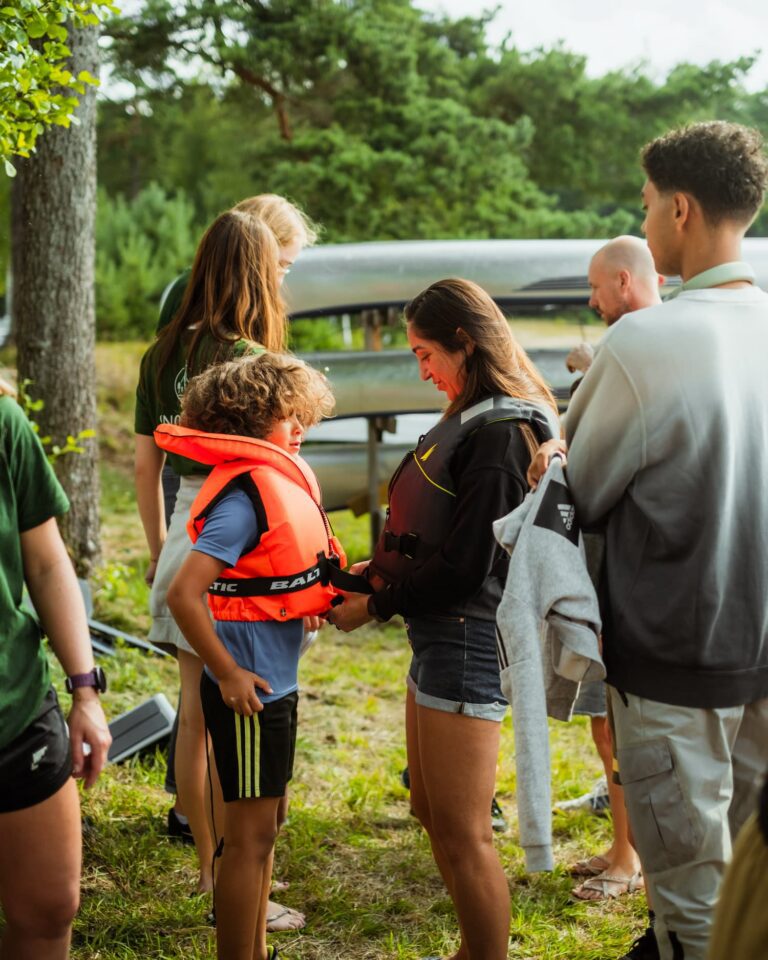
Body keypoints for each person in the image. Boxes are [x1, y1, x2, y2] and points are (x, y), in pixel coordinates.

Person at [529, 121, 768, 960]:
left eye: (645, 206)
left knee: (693, 900)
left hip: (674, 662)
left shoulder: (644, 341)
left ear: (680, 208)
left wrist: (552, 450)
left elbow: (580, 492)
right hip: (765, 653)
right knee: (756, 890)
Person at [330, 279, 559, 960]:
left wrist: (375, 605)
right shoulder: (471, 414)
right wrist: (366, 576)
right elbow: (434, 533)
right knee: (429, 810)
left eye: (426, 353)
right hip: (436, 635)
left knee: (463, 831)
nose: (422, 370)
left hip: (465, 639)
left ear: (465, 342)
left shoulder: (499, 434)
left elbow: (468, 565)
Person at [134, 207, 303, 929]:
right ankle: (242, 882)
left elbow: (146, 458)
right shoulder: (251, 360)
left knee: (194, 712)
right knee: (238, 706)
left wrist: (157, 548)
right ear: (259, 275)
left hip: (181, 525)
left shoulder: (160, 351)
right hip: (236, 537)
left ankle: (209, 870)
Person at [160, 353, 341, 960]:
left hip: (271, 688)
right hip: (250, 694)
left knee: (265, 834)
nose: (300, 427)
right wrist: (228, 672)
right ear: (250, 418)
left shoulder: (271, 481)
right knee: (247, 841)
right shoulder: (244, 495)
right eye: (288, 416)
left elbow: (271, 575)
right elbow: (184, 595)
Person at [563, 237, 663, 913]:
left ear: (624, 282)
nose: (592, 301)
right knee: (606, 724)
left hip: (634, 577)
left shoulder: (646, 350)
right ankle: (624, 846)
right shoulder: (629, 350)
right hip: (607, 570)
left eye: (597, 289)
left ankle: (633, 862)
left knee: (623, 725)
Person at [0, 376, 111, 959]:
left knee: (48, 908)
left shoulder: (3, 421)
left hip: (14, 709)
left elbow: (45, 564)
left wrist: (85, 690)